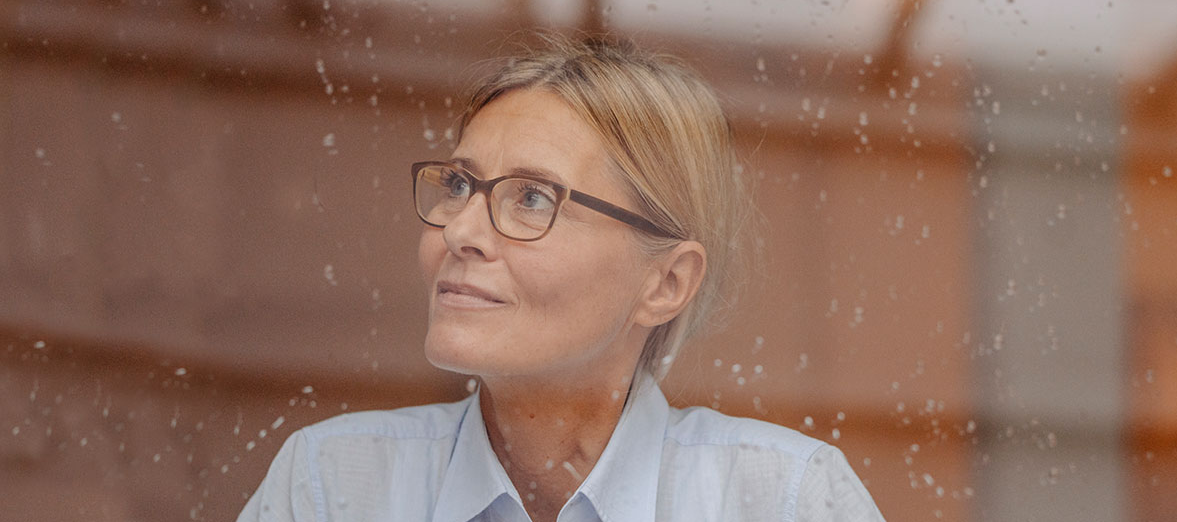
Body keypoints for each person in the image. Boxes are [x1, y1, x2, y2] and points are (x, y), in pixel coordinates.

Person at [238, 34, 884, 522]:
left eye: (533, 199)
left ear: (665, 283)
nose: (461, 231)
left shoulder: (784, 498)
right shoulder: (334, 485)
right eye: (459, 184)